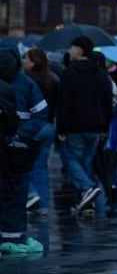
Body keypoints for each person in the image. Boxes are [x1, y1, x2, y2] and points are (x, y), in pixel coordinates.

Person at [56, 36, 114, 213]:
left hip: (76, 124)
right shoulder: (100, 72)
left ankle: (87, 188)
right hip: (96, 125)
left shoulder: (70, 72)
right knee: (86, 161)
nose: (69, 51)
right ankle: (88, 200)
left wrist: (61, 127)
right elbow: (107, 100)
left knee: (69, 158)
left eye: (72, 48)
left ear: (80, 51)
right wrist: (105, 126)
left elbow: (64, 101)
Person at [0, 46, 48, 253]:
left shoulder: (22, 84)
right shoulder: (26, 83)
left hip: (13, 145)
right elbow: (41, 112)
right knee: (16, 190)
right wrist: (23, 135)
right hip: (19, 148)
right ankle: (14, 235)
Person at [22, 48, 58, 211]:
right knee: (41, 167)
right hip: (49, 126)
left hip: (33, 126)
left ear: (34, 62)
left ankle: (31, 194)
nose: (23, 62)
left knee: (22, 165)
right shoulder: (53, 79)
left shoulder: (26, 81)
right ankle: (43, 205)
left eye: (26, 59)